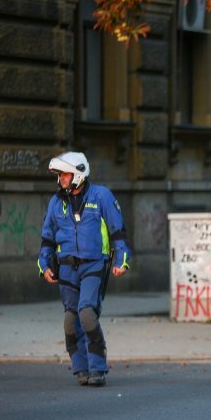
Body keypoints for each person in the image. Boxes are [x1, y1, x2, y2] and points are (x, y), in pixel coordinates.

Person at [37, 152, 131, 387]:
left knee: (87, 314)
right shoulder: (56, 202)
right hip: (66, 268)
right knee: (70, 321)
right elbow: (47, 238)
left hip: (94, 265)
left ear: (78, 173)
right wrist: (44, 264)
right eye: (60, 175)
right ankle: (81, 367)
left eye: (65, 174)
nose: (62, 179)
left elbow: (117, 231)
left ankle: (98, 367)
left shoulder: (101, 196)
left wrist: (122, 259)